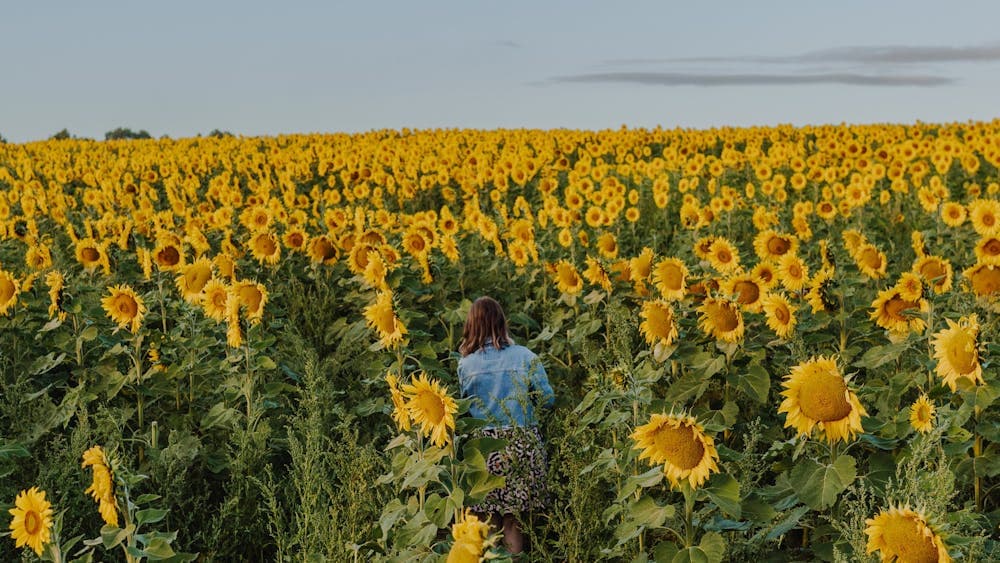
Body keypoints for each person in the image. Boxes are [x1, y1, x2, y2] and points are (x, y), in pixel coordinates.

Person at [457, 296, 554, 555]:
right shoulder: (525, 356)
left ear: (472, 326)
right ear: (502, 323)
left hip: (484, 448)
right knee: (515, 519)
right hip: (521, 443)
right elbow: (548, 400)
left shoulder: (466, 365)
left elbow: (463, 409)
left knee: (488, 518)